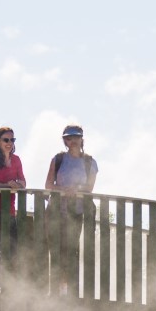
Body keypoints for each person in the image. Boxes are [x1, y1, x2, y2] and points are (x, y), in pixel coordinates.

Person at [44, 124, 97, 293]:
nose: (72, 141)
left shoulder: (89, 162)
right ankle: (55, 290)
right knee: (55, 250)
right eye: (68, 138)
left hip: (76, 213)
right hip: (55, 212)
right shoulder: (58, 160)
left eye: (75, 137)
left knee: (71, 250)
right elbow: (48, 185)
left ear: (82, 139)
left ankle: (69, 290)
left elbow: (89, 188)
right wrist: (63, 190)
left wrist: (76, 190)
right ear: (64, 141)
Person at [0, 126, 25, 279]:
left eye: (12, 140)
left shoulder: (16, 160)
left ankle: (8, 284)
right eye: (6, 140)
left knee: (13, 248)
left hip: (10, 211)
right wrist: (9, 185)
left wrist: (16, 184)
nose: (9, 143)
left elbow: (23, 182)